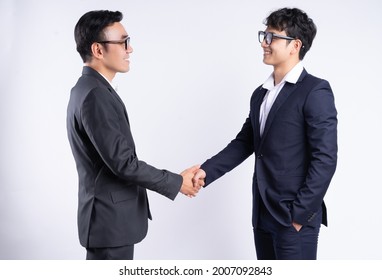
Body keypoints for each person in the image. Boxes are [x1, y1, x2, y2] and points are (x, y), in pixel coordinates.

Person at [193, 7, 337, 259]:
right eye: (264, 35)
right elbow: (245, 143)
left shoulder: (315, 91)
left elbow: (325, 158)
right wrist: (205, 171)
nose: (264, 43)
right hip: (262, 214)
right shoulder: (261, 94)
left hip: (293, 219)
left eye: (272, 37)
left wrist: (299, 215)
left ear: (295, 45)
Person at [67, 10, 201, 260]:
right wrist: (176, 182)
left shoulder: (88, 89)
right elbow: (123, 164)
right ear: (98, 50)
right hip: (109, 224)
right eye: (123, 42)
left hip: (108, 223)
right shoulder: (95, 95)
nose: (130, 49)